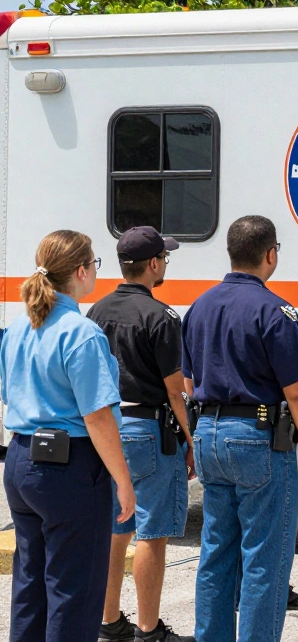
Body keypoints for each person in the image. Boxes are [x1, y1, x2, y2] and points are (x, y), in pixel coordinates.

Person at [181, 215, 298, 642]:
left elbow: (190, 384)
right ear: (270, 254)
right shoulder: (275, 311)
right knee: (265, 557)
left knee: (216, 554)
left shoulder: (200, 306)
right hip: (256, 438)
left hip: (208, 432)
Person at [1, 230, 136, 642]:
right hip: (70, 469)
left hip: (21, 461)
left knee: (30, 585)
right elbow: (97, 418)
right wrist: (124, 480)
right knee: (74, 592)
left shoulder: (16, 328)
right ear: (81, 271)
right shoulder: (81, 333)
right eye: (95, 264)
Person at [87, 227, 196, 642]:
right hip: (150, 431)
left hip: (109, 430)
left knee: (117, 527)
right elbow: (175, 389)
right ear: (152, 264)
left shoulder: (96, 311)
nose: (165, 264)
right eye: (164, 258)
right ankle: (149, 630)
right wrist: (191, 439)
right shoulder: (162, 316)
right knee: (152, 532)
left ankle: (108, 620)